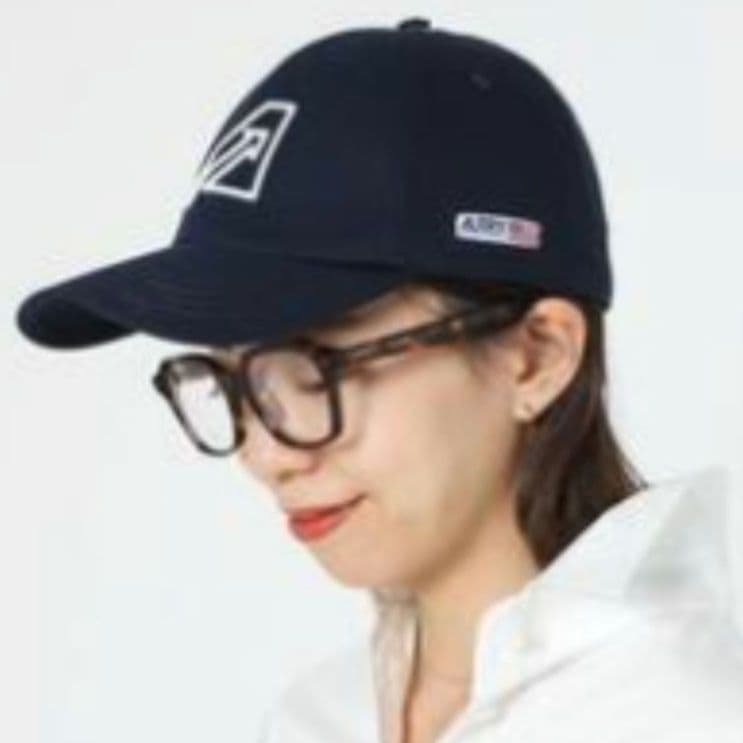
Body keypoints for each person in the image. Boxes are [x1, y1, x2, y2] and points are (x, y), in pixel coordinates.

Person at [15, 16, 743, 743]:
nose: (264, 456)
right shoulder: (321, 718)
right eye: (234, 382)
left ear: (536, 356)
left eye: (314, 367)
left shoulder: (683, 717)